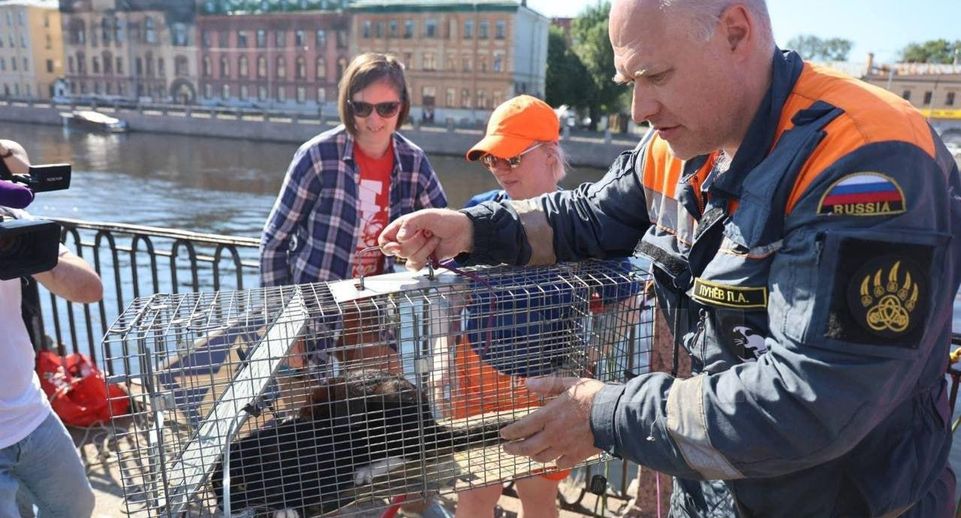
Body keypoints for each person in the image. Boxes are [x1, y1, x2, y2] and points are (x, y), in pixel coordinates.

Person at [377, 0, 961, 516]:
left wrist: (605, 415)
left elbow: (814, 399)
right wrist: (472, 229)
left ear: (736, 31)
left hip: (839, 497)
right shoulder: (680, 143)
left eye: (655, 75)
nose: (638, 108)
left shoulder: (868, 161)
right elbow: (586, 217)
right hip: (712, 486)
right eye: (629, 79)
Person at [260, 52, 447, 371]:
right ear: (348, 105)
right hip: (314, 308)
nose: (374, 121)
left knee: (380, 404)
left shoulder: (413, 161)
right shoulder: (318, 156)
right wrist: (281, 328)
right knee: (315, 411)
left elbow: (446, 232)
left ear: (401, 106)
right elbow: (274, 243)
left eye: (386, 108)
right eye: (362, 108)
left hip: (372, 305)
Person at [451, 95, 571, 518]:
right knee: (476, 497)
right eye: (492, 161)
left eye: (512, 159)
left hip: (545, 381)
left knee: (538, 497)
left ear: (550, 154)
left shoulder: (584, 222)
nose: (500, 170)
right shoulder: (479, 212)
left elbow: (611, 298)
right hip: (478, 373)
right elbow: (454, 291)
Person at [0, 139, 103, 517]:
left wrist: (27, 250)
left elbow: (90, 288)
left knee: (76, 506)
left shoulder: (10, 219)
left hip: (28, 415)